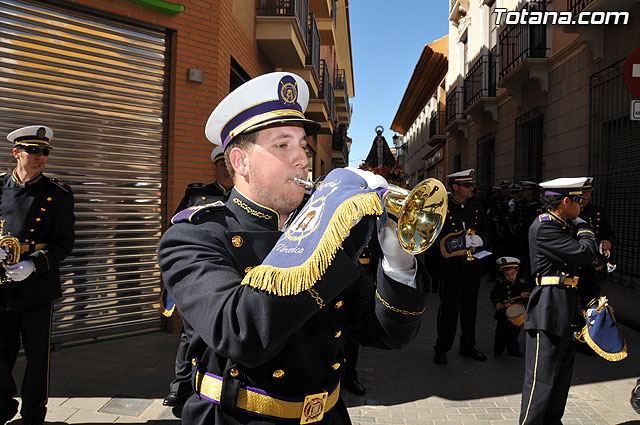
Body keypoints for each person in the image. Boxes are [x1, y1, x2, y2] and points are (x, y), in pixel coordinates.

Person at [157, 72, 429, 424]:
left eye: (302, 144)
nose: (302, 158)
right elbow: (242, 335)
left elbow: (389, 334)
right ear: (240, 162)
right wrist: (334, 244)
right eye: (282, 145)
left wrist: (398, 261)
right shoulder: (195, 236)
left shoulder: (316, 229)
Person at [0, 126, 75, 425]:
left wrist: (34, 264)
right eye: (33, 150)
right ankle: (2, 408)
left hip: (37, 286)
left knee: (37, 358)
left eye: (45, 152)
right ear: (16, 153)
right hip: (2, 285)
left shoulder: (57, 193)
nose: (40, 156)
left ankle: (33, 415)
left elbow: (64, 243)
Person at [519, 177, 598, 425]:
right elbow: (585, 253)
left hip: (567, 307)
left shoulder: (562, 225)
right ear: (565, 201)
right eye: (579, 201)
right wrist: (585, 228)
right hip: (549, 308)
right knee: (541, 381)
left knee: (561, 377)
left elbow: (589, 263)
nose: (581, 207)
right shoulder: (545, 227)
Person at [162, 145, 233, 411]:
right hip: (202, 273)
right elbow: (177, 229)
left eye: (228, 164)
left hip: (230, 274)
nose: (225, 169)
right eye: (220, 164)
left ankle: (214, 385)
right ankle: (180, 386)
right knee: (189, 333)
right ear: (214, 166)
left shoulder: (243, 196)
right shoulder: (197, 194)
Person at [433, 169, 490, 365]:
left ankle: (468, 345)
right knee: (449, 311)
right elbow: (434, 239)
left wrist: (480, 239)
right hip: (451, 269)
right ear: (455, 187)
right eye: (467, 185)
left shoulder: (476, 208)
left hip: (472, 268)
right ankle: (441, 348)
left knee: (470, 310)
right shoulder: (443, 208)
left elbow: (487, 232)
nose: (471, 188)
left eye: (471, 185)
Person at [489, 256, 530, 357]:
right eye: (507, 275)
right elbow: (494, 294)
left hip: (516, 314)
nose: (510, 276)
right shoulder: (501, 283)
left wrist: (526, 293)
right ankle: (498, 350)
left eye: (512, 274)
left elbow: (527, 290)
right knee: (501, 333)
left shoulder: (521, 282)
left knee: (514, 333)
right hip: (503, 313)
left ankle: (513, 349)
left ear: (517, 271)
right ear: (503, 274)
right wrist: (497, 302)